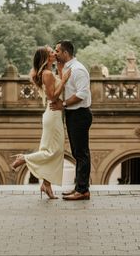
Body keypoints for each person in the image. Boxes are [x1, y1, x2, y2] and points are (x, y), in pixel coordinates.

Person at [10, 46, 71, 199]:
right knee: (54, 151)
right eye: (51, 52)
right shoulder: (47, 74)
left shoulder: (50, 72)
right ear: (46, 58)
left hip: (54, 115)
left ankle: (46, 185)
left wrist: (61, 71)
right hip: (53, 114)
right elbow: (52, 97)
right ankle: (24, 158)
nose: (54, 53)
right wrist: (63, 81)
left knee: (50, 149)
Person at [50, 40, 92, 201]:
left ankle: (83, 190)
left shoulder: (78, 70)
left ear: (65, 53)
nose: (55, 53)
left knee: (81, 153)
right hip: (73, 114)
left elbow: (82, 94)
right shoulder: (68, 68)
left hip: (80, 114)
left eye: (57, 51)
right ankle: (79, 187)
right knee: (77, 152)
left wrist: (64, 104)